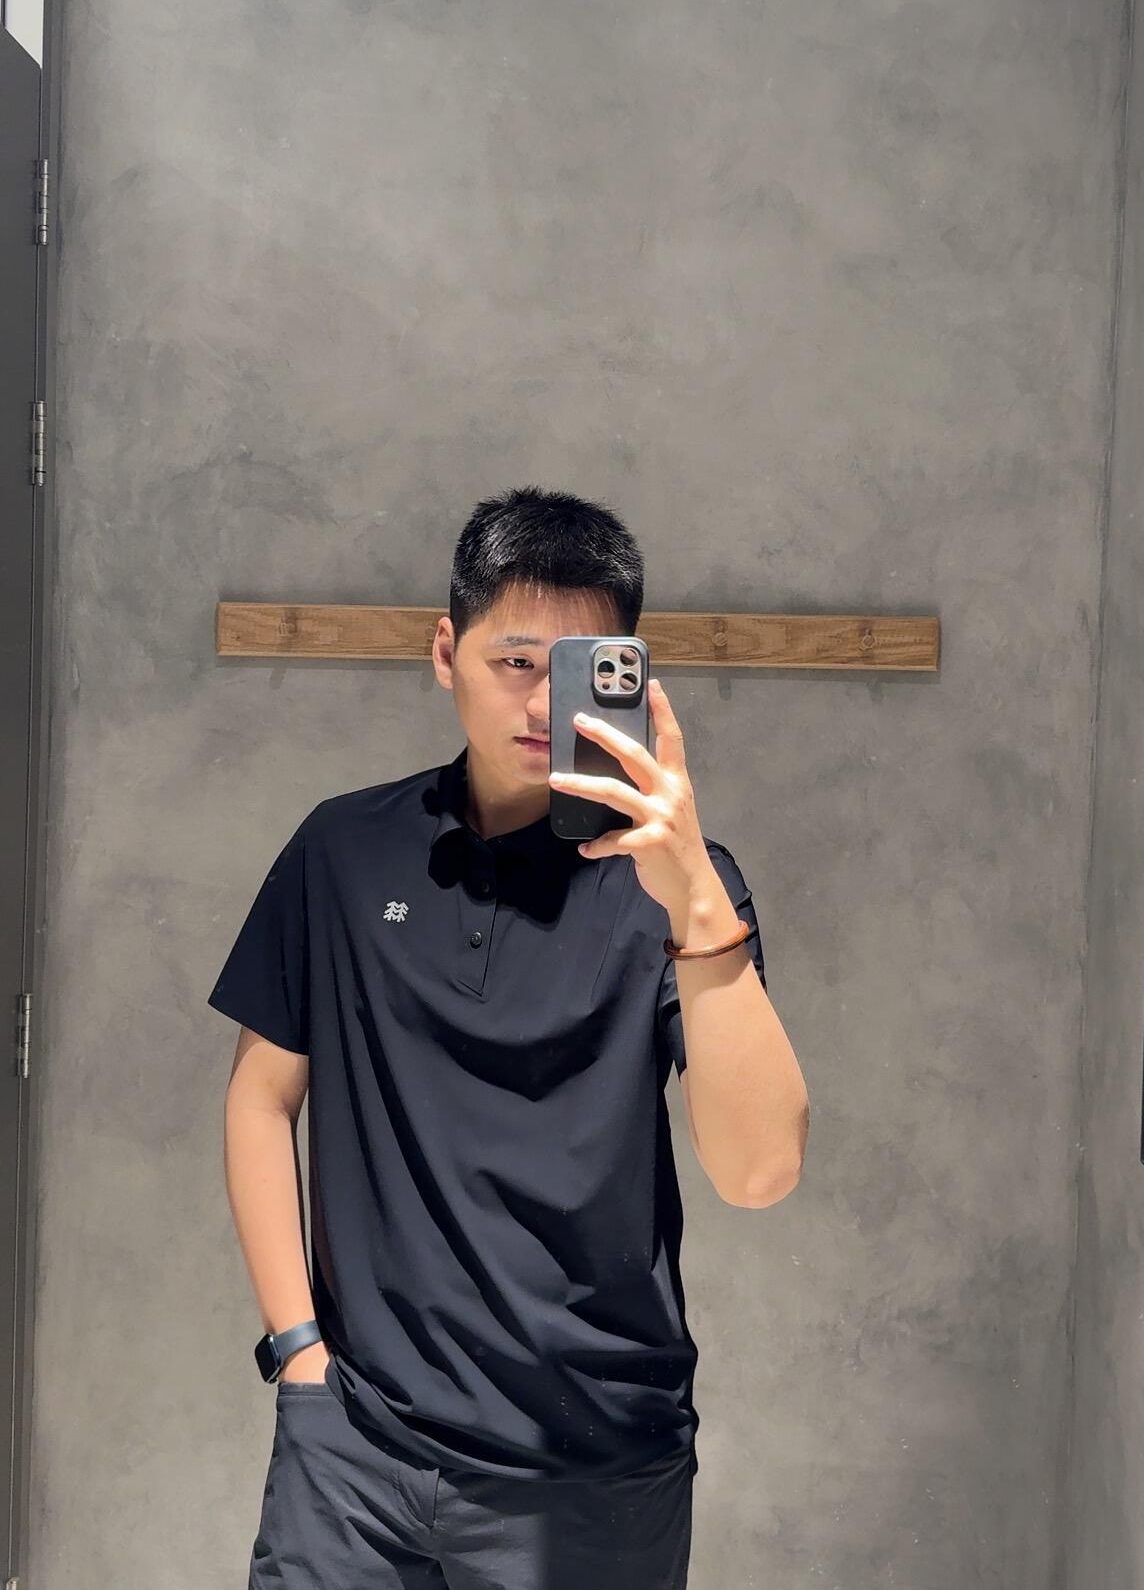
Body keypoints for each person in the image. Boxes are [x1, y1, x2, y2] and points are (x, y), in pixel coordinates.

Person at [211, 484, 808, 1588]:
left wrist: (692, 894)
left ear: (630, 676)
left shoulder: (684, 889)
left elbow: (761, 1170)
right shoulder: (343, 851)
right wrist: (298, 1351)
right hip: (354, 1460)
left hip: (596, 1474)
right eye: (514, 661)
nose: (542, 702)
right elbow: (260, 1096)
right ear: (447, 654)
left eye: (578, 669)